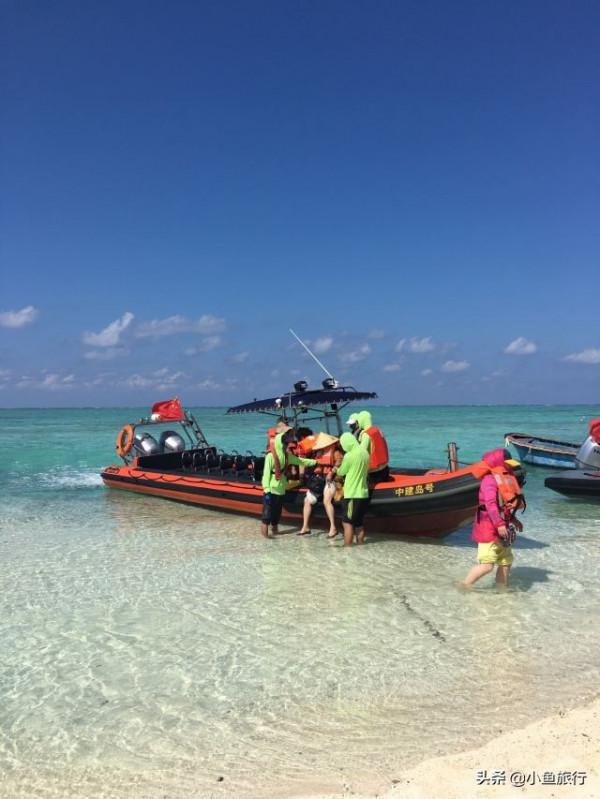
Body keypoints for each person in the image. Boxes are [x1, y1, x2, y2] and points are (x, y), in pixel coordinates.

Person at [461, 448, 526, 588]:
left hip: (503, 528)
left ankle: (501, 590)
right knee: (487, 565)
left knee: (506, 562)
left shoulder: (504, 479)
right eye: (507, 464)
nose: (510, 467)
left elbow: (505, 505)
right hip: (488, 529)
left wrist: (514, 520)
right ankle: (464, 585)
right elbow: (490, 504)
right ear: (499, 464)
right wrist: (499, 524)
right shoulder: (489, 481)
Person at [261, 429, 316, 538]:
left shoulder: (287, 456)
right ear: (279, 443)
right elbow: (266, 474)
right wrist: (266, 490)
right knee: (266, 516)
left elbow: (301, 461)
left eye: (286, 443)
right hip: (271, 490)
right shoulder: (270, 456)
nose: (285, 445)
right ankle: (266, 539)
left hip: (281, 489)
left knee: (276, 515)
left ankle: (275, 536)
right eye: (284, 443)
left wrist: (315, 462)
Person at [327, 431, 369, 546]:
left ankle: (347, 548)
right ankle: (361, 545)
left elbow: (342, 471)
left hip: (352, 494)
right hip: (364, 494)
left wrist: (335, 470)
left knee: (347, 523)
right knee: (359, 523)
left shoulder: (349, 455)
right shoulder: (364, 452)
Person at [298, 439, 344, 537]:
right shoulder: (317, 453)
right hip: (319, 481)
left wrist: (331, 472)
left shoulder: (336, 453)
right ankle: (305, 527)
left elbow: (339, 463)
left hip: (331, 481)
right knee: (307, 500)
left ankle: (333, 527)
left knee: (326, 500)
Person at [356, 410, 390, 482]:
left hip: (374, 473)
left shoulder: (366, 434)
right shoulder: (377, 430)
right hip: (385, 469)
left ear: (362, 420)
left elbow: (360, 453)